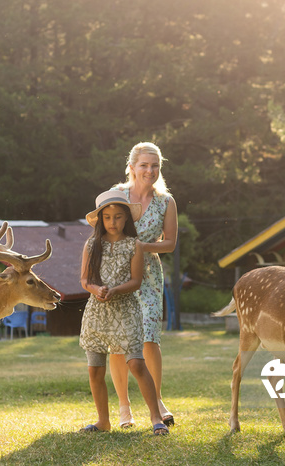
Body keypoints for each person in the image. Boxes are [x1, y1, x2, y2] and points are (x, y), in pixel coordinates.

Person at [78, 190, 169, 436]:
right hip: (97, 313)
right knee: (95, 368)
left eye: (118, 217)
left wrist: (115, 290)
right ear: (100, 220)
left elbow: (136, 281)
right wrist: (96, 288)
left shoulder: (134, 245)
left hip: (126, 310)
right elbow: (85, 279)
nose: (113, 222)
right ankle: (103, 421)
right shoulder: (91, 245)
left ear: (126, 218)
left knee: (137, 364)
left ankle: (155, 418)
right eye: (107, 217)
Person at [108, 142, 178, 428]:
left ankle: (157, 400)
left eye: (154, 165)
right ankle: (124, 407)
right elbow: (102, 231)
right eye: (144, 165)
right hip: (116, 273)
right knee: (118, 341)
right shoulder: (117, 195)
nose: (149, 170)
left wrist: (141, 246)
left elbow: (170, 243)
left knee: (150, 338)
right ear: (133, 166)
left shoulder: (166, 201)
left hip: (148, 275)